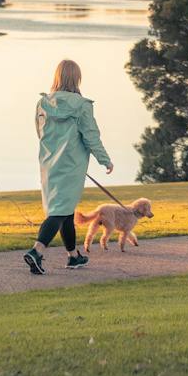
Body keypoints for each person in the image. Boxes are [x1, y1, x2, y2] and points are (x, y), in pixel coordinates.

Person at [24, 58, 113, 274]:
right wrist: (105, 159)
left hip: (49, 162)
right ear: (77, 79)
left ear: (57, 77)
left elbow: (40, 132)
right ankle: (36, 251)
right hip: (72, 164)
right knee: (59, 211)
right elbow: (91, 136)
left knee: (65, 210)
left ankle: (73, 256)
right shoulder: (82, 106)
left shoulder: (43, 103)